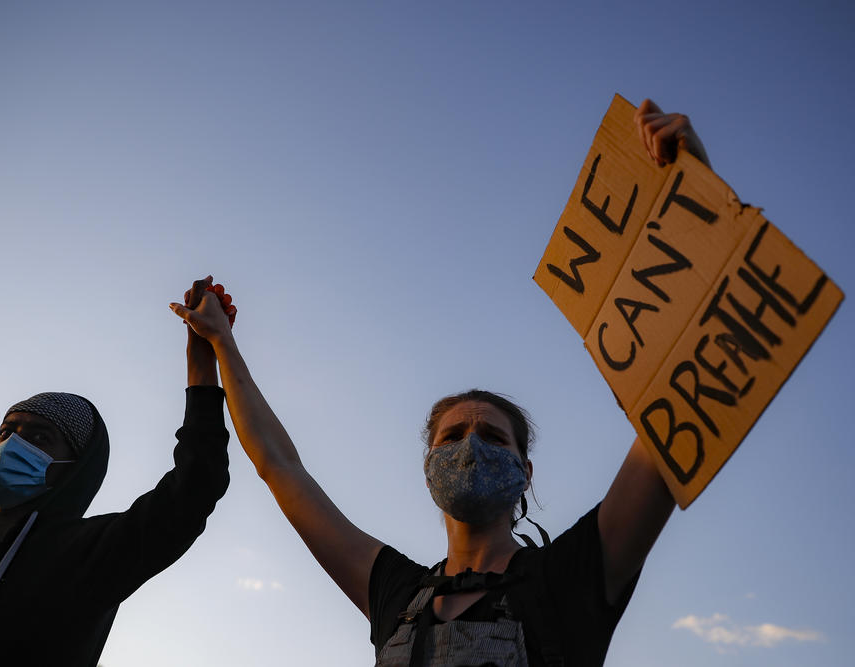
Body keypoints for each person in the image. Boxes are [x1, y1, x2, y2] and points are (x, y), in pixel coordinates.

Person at [169, 100, 710, 666]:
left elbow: (675, 402)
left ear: (526, 473)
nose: (470, 446)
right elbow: (279, 465)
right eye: (451, 437)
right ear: (427, 465)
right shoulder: (393, 593)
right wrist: (221, 346)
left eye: (494, 437)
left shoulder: (573, 574)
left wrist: (697, 211)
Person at [0, 280, 236, 666]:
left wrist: (203, 360)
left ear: (74, 468)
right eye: (7, 432)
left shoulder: (89, 558)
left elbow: (192, 490)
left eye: (40, 436)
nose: (13, 446)